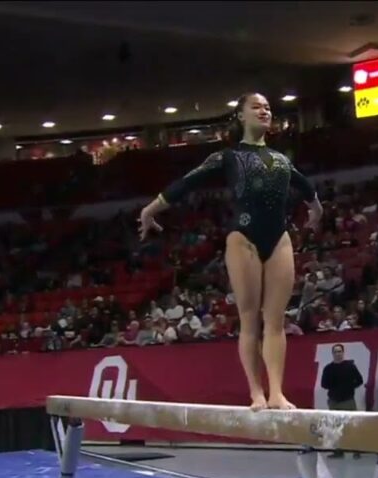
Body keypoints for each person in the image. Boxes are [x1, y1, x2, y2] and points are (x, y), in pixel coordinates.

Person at [138, 93, 323, 411]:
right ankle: (256, 392)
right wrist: (148, 212)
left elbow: (307, 188)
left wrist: (317, 211)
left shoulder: (281, 160)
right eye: (256, 107)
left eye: (267, 107)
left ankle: (277, 392)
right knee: (250, 320)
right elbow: (186, 183)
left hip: (279, 239)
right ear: (240, 116)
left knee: (276, 321)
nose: (264, 110)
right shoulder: (228, 157)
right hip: (243, 240)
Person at [320, 343, 364, 458]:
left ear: (343, 353)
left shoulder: (350, 366)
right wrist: (334, 387)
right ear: (332, 354)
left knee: (352, 426)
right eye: (336, 352)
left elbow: (359, 380)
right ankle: (338, 451)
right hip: (334, 400)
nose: (338, 354)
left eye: (340, 351)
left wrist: (349, 387)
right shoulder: (328, 368)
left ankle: (356, 450)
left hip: (348, 400)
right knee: (335, 427)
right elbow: (323, 384)